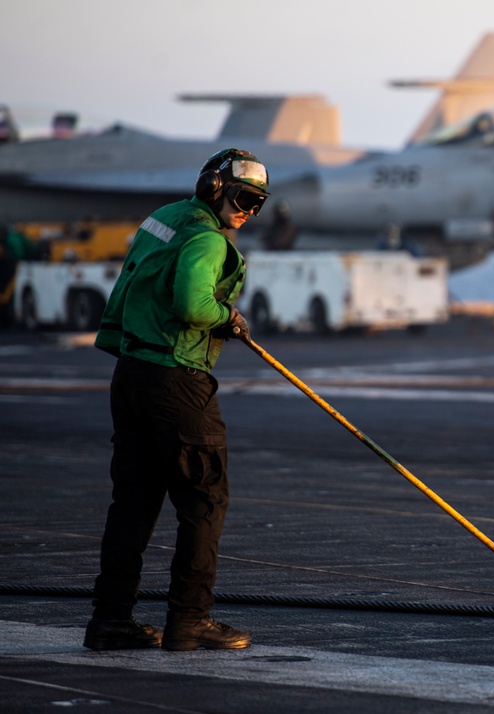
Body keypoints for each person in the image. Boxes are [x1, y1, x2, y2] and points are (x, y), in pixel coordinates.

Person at [83, 148, 269, 652]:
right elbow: (192, 304)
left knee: (134, 504)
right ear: (214, 187)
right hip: (177, 380)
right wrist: (227, 318)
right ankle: (191, 620)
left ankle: (110, 620)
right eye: (244, 197)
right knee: (205, 500)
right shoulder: (209, 239)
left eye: (258, 203)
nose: (249, 210)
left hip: (133, 372)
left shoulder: (164, 219)